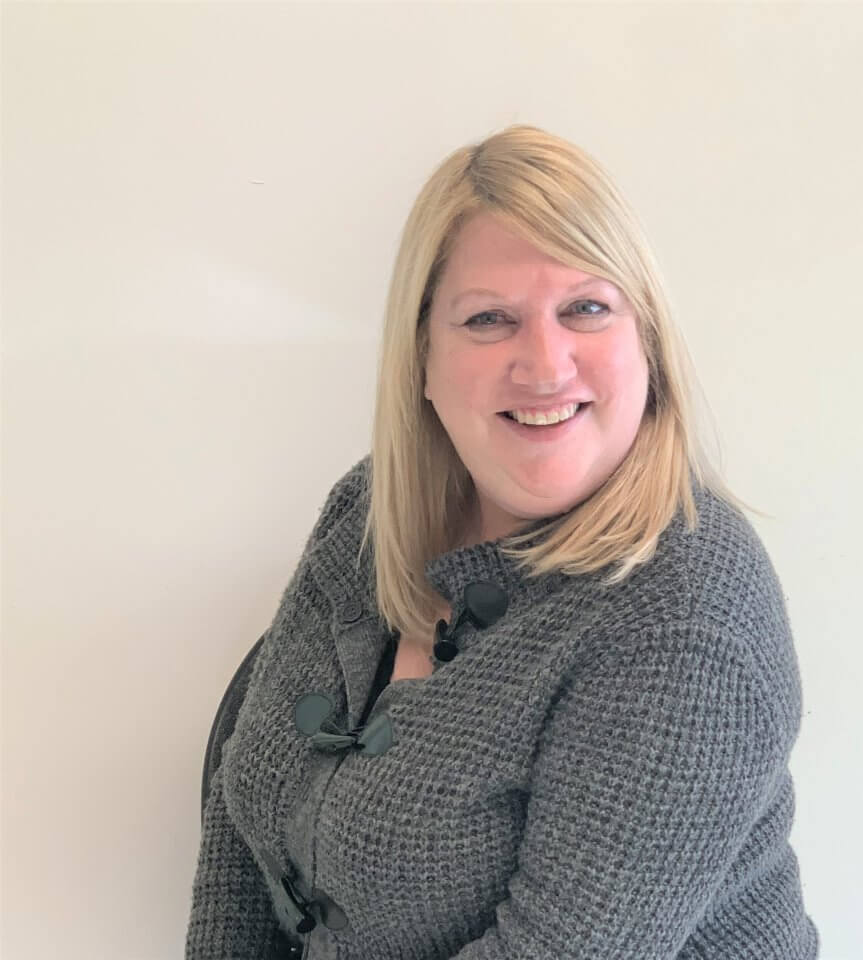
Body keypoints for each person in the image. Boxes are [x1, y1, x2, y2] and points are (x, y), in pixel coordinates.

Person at [186, 124, 820, 959]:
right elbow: (247, 803)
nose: (546, 366)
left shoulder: (689, 617)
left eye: (585, 309)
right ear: (421, 358)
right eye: (488, 319)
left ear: (647, 341)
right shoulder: (370, 508)